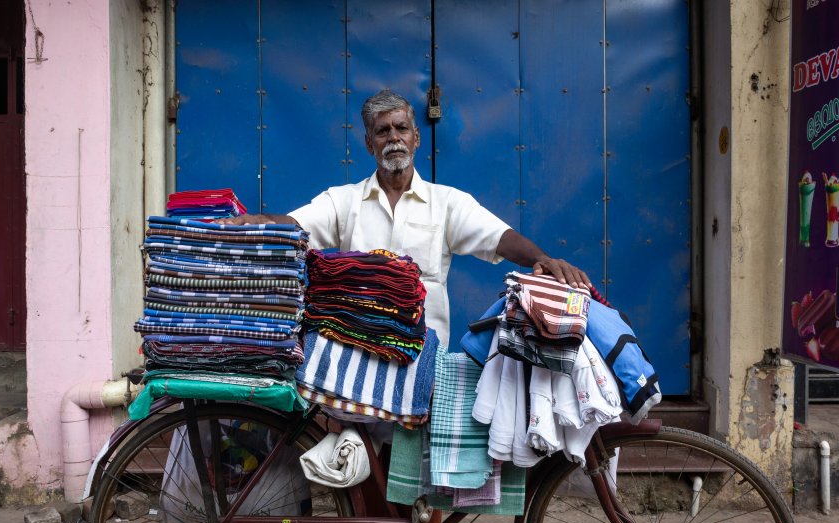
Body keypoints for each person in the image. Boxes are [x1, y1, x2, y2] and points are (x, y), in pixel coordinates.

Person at [221, 89, 590, 346]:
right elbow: (297, 224)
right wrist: (257, 221)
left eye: (401, 129)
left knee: (416, 457)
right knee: (360, 455)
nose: (393, 138)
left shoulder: (445, 203)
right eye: (382, 131)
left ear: (416, 138)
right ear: (369, 143)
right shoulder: (343, 202)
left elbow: (499, 237)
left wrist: (541, 259)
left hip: (425, 354)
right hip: (358, 350)